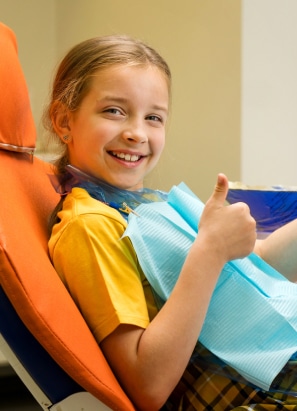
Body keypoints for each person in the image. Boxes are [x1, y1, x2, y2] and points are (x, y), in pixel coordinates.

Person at [45, 34, 297, 411]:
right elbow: (149, 385)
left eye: (153, 118)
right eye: (114, 111)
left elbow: (250, 267)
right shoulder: (90, 226)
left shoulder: (142, 207)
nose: (137, 133)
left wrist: (220, 249)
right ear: (65, 121)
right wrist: (209, 251)